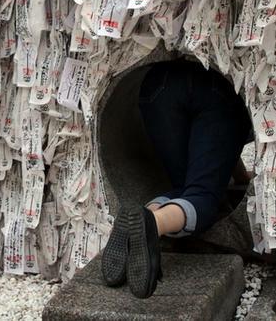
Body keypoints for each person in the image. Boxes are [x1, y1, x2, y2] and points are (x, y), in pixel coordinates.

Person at [101, 58, 252, 299]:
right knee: (202, 196)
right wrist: (240, 179)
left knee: (184, 190)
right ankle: (154, 223)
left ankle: (140, 217)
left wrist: (240, 177)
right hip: (215, 88)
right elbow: (225, 147)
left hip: (157, 86)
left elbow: (223, 156)